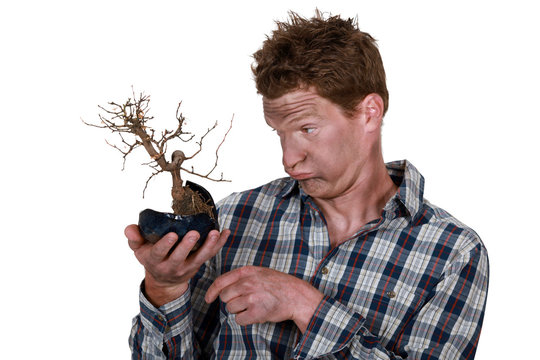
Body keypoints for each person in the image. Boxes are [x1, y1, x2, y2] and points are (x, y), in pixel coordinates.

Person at [125, 11, 489, 359]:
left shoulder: (453, 252)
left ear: (370, 113)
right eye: (279, 134)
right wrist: (165, 289)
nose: (289, 159)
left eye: (307, 129)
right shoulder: (234, 216)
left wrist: (306, 306)